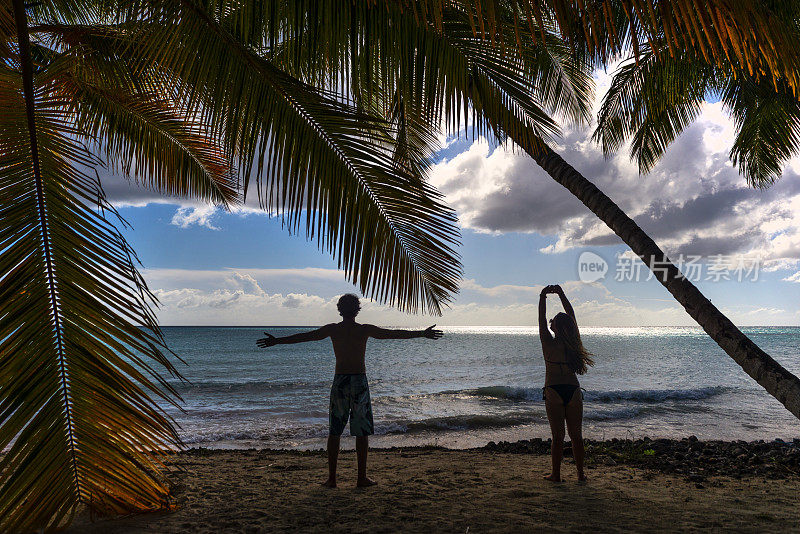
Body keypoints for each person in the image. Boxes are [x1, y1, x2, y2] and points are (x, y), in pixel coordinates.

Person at [256, 293, 443, 488]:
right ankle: (360, 478)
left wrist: (277, 341)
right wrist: (421, 333)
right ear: (357, 309)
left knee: (335, 430)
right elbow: (392, 334)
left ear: (339, 309)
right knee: (361, 432)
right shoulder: (364, 330)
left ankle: (332, 479)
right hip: (359, 382)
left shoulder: (333, 330)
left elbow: (306, 337)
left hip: (341, 382)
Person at [538, 284, 594, 482]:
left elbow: (541, 320)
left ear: (554, 327)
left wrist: (542, 296)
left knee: (558, 437)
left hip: (553, 389)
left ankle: (556, 475)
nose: (550, 323)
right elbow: (571, 313)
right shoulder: (574, 342)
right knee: (576, 436)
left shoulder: (548, 342)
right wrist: (561, 293)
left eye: (553, 322)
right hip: (573, 389)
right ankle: (580, 475)